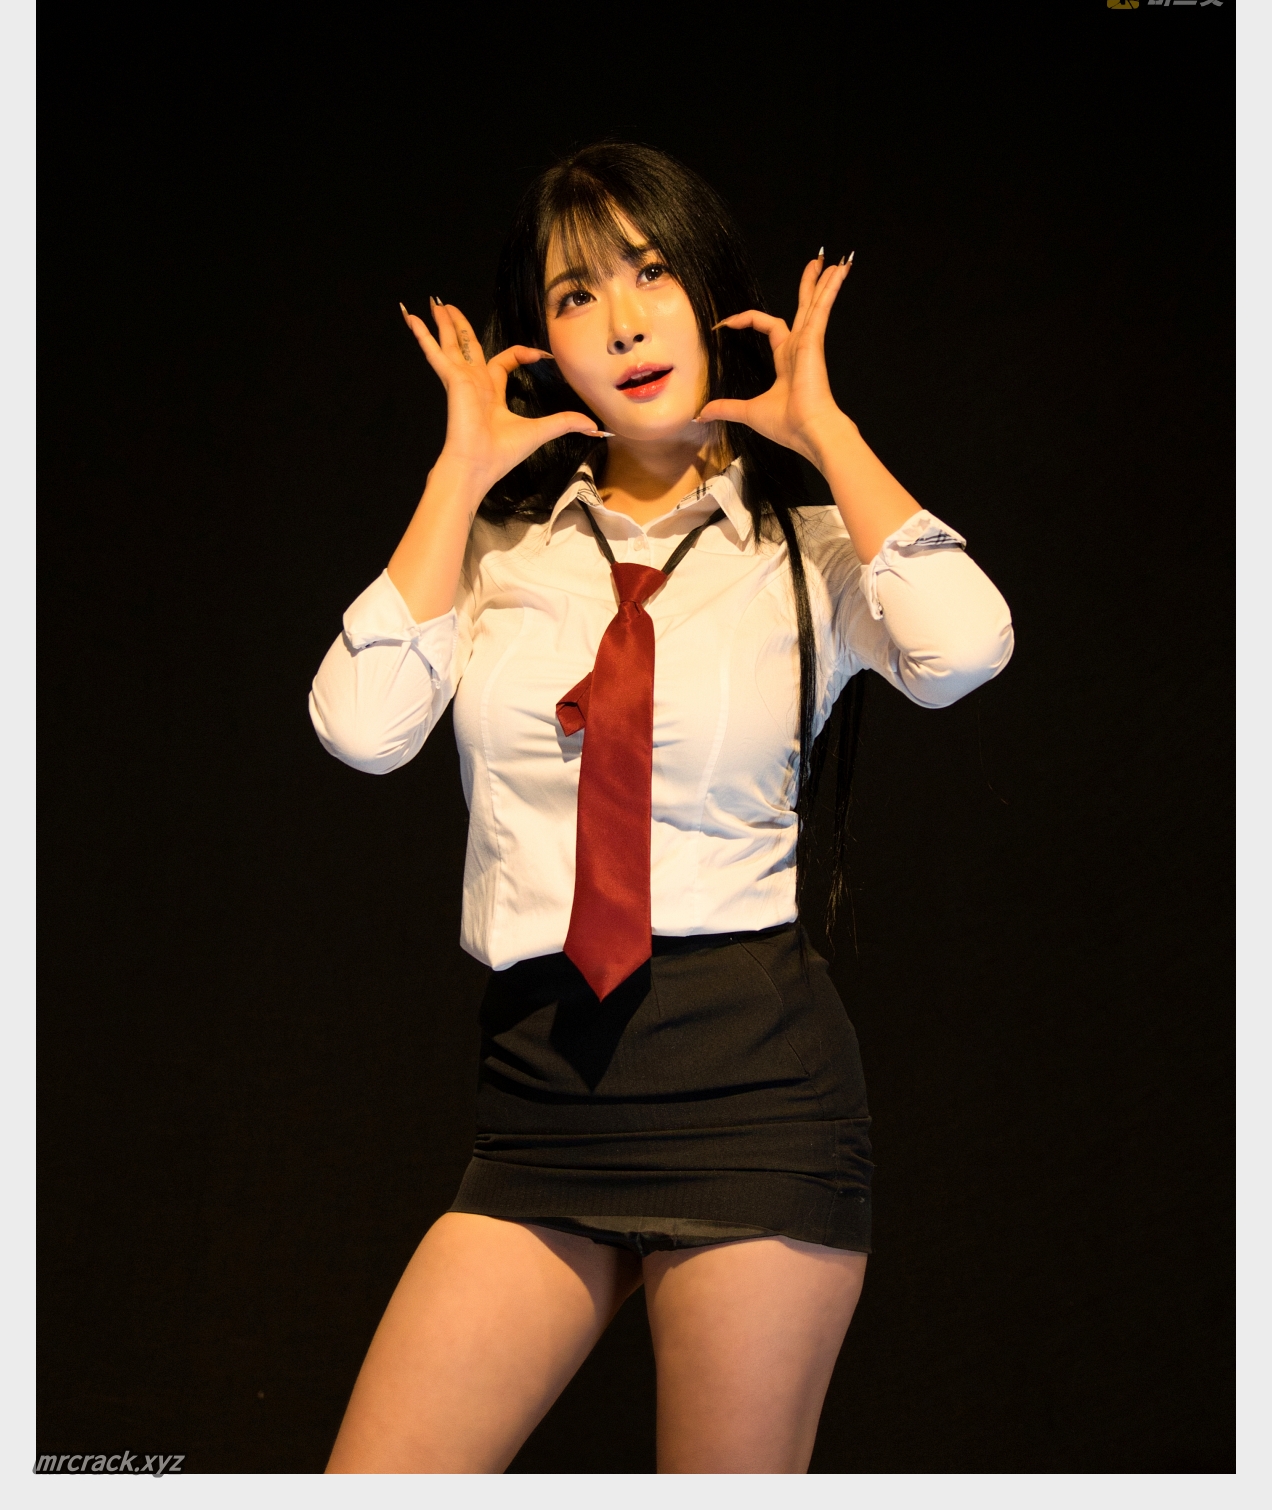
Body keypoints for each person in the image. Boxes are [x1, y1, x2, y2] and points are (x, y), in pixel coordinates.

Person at [309, 141, 1014, 1473]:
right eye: (576, 295)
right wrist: (456, 477)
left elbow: (965, 646)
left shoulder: (810, 556)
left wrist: (824, 432)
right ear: (541, 347)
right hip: (538, 1094)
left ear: (711, 295)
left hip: (754, 1093)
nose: (624, 322)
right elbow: (360, 729)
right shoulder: (496, 559)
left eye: (650, 274)